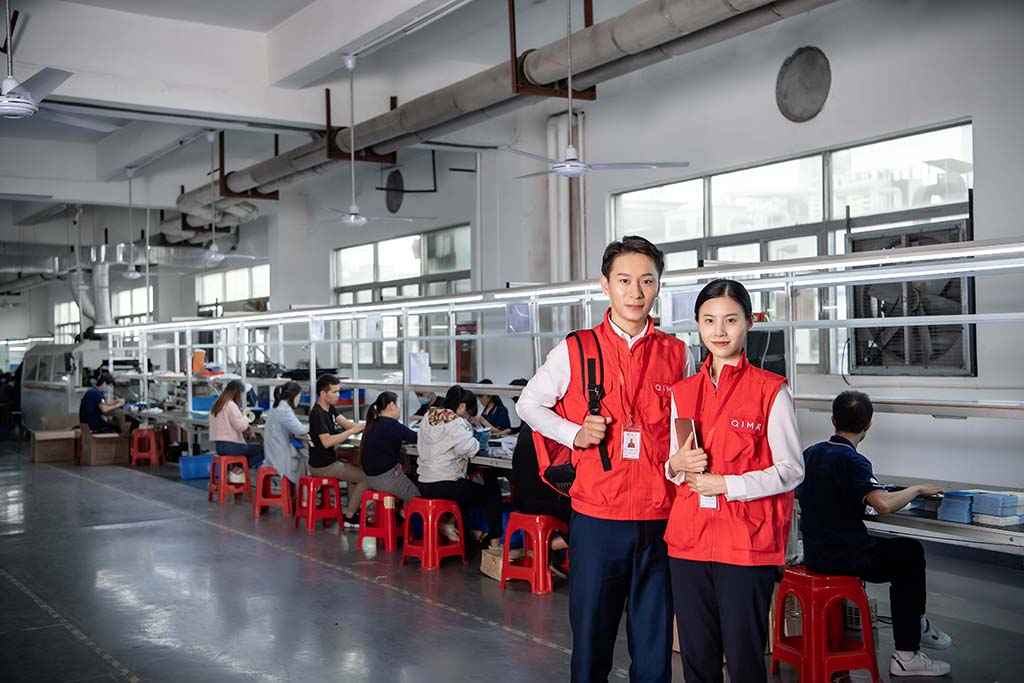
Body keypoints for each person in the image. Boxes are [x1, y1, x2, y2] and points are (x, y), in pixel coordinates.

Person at [517, 235, 693, 683]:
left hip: (660, 519)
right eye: (625, 280)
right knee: (592, 646)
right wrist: (573, 433)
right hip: (597, 519)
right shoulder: (575, 350)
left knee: (654, 654)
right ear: (605, 285)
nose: (636, 293)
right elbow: (528, 404)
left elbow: (684, 425)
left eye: (647, 281)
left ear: (658, 286)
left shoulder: (678, 353)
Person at [664, 278, 803, 683]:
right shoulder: (683, 391)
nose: (719, 331)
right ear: (698, 325)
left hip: (745, 544)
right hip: (689, 542)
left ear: (749, 323)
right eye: (709, 321)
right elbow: (674, 468)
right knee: (696, 656)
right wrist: (675, 463)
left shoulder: (771, 390)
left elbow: (792, 469)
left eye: (730, 320)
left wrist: (728, 484)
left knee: (744, 659)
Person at [798, 391, 952, 678]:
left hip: (817, 554)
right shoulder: (854, 461)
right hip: (847, 557)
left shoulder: (811, 453)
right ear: (868, 425)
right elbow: (882, 505)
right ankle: (909, 651)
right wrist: (916, 489)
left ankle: (918, 624)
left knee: (902, 551)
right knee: (910, 553)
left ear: (833, 420)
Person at [417, 385, 503, 548]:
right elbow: (471, 449)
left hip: (425, 482)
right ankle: (495, 546)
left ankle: (458, 528)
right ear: (462, 407)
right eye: (469, 414)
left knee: (467, 488)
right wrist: (473, 433)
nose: (468, 418)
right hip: (444, 483)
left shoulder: (429, 415)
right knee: (491, 494)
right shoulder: (456, 422)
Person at [510, 423, 571, 577]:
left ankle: (547, 551)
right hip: (543, 502)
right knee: (586, 520)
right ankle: (547, 548)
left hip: (521, 500)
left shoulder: (526, 431)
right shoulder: (550, 432)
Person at [308, 373, 366, 528]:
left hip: (327, 462)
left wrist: (366, 425)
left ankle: (352, 514)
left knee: (354, 474)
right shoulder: (317, 414)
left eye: (338, 391)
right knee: (365, 477)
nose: (338, 395)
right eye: (334, 392)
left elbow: (348, 425)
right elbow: (327, 442)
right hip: (323, 466)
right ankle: (349, 516)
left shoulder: (329, 408)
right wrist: (350, 432)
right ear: (323, 393)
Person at [359, 391, 420, 504]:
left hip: (370, 479)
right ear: (392, 405)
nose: (400, 409)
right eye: (399, 405)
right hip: (386, 479)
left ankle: (397, 513)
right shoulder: (392, 425)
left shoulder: (374, 423)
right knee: (418, 500)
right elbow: (417, 438)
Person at [209, 379, 264, 484]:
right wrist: (246, 416)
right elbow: (241, 426)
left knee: (247, 452)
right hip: (232, 446)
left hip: (220, 447)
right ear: (237, 393)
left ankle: (236, 471)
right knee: (263, 449)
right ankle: (237, 471)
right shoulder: (230, 405)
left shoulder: (217, 404)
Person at [262, 381, 309, 486]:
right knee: (306, 460)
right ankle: (303, 497)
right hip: (280, 459)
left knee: (302, 455)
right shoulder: (284, 410)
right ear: (294, 396)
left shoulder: (277, 408)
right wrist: (314, 424)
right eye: (299, 397)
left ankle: (299, 496)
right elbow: (299, 429)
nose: (299, 400)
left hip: (273, 455)